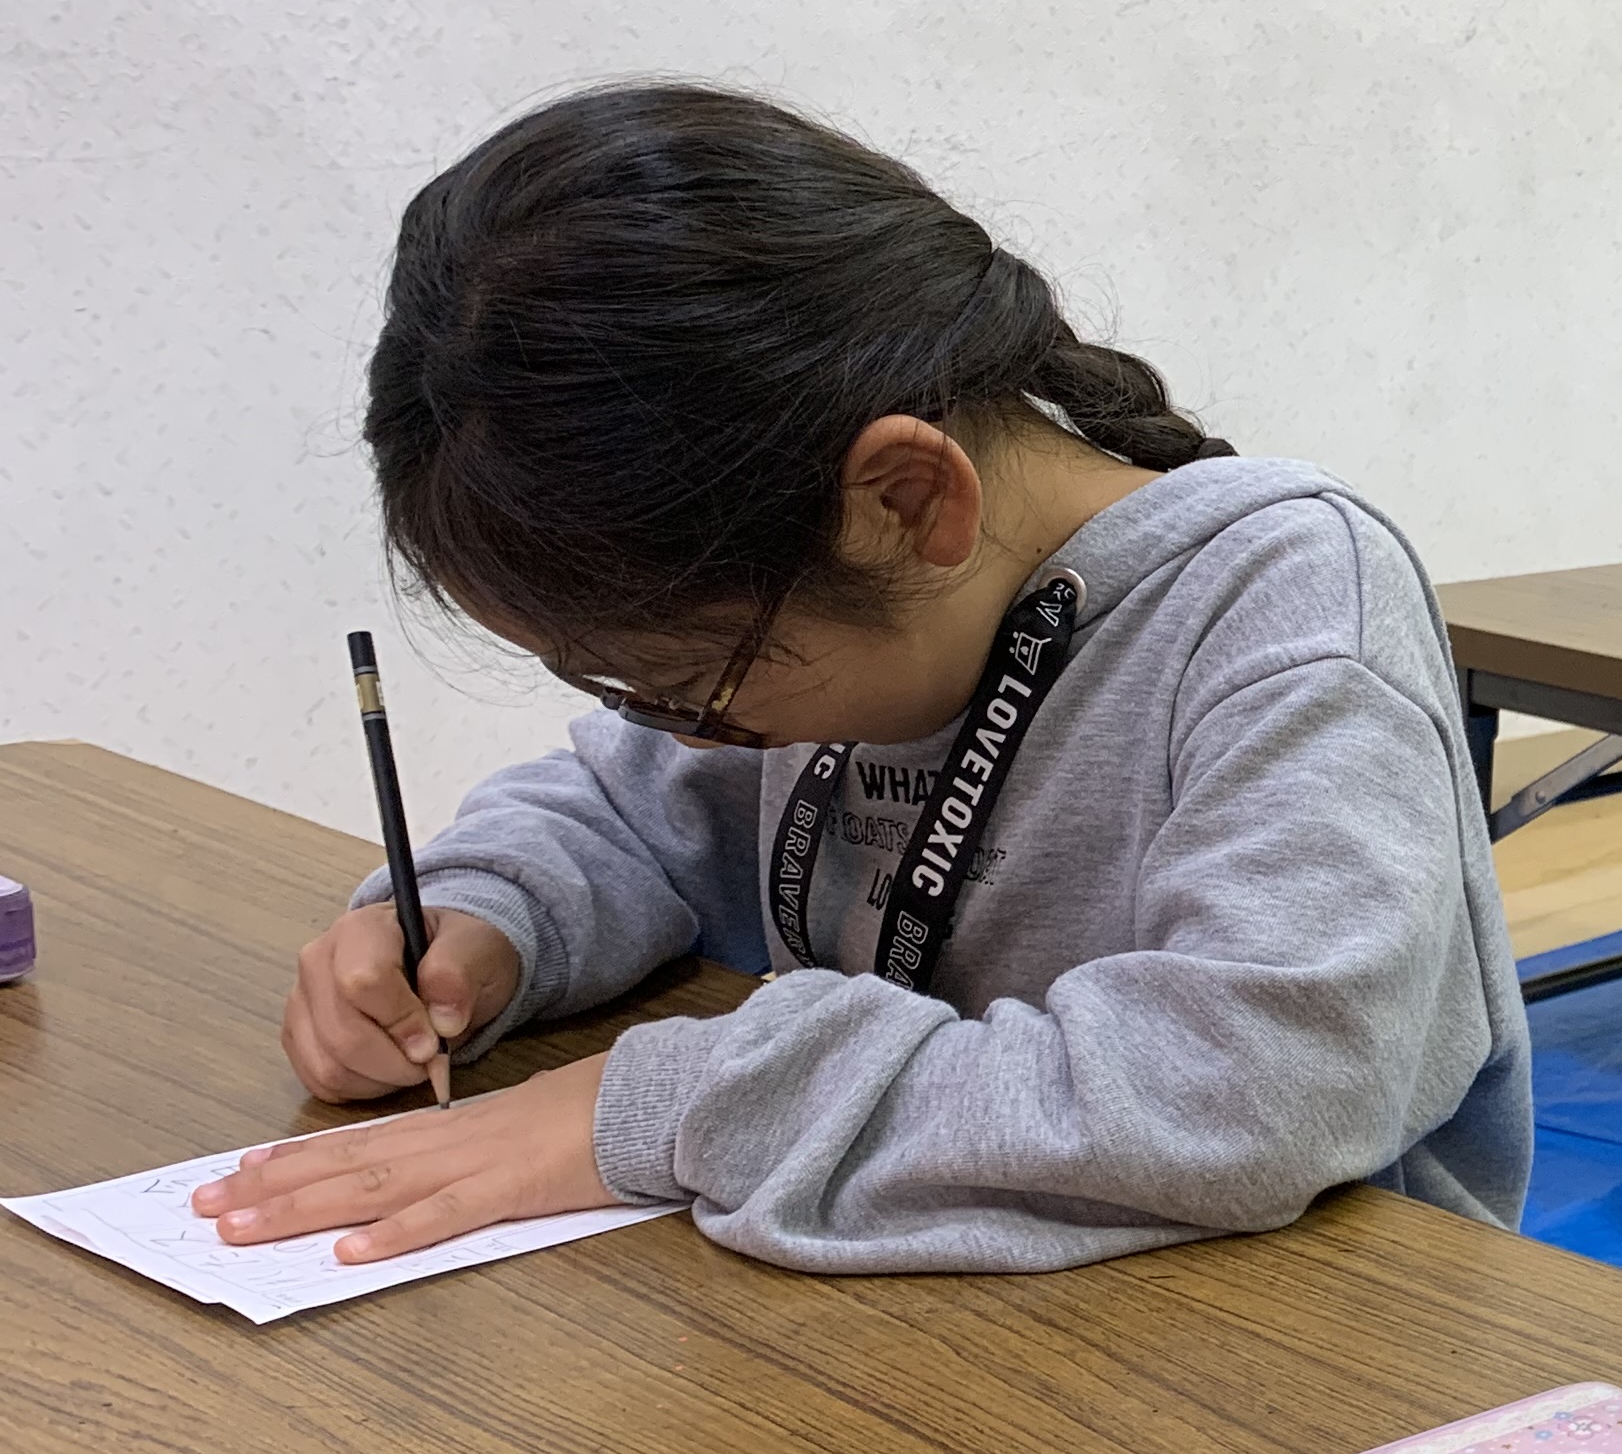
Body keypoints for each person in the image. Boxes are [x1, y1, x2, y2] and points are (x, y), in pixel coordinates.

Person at [202, 83, 1525, 1270]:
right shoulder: (838, 605)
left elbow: (1252, 1089)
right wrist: (483, 919)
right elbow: (627, 813)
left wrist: (675, 1102)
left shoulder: (1290, 616)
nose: (692, 738)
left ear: (904, 502)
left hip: (1308, 1364)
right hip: (947, 1323)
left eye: (689, 684)